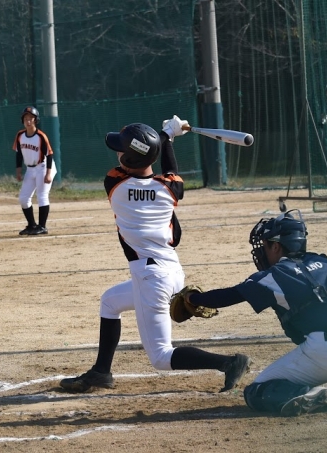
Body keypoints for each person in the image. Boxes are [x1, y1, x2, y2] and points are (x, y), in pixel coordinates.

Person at [59, 116, 251, 393]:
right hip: (171, 272)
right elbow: (169, 171)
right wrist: (167, 138)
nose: (117, 153)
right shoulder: (170, 189)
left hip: (152, 279)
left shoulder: (115, 184)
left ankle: (229, 362)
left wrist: (166, 134)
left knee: (161, 356)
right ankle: (101, 372)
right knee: (110, 302)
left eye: (122, 150)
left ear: (129, 158)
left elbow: (145, 161)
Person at [183, 211, 327, 416]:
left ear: (276, 247)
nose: (261, 250)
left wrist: (193, 299)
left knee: (256, 391)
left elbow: (229, 295)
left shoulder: (276, 275)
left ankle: (305, 392)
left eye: (265, 245)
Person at [13, 106, 56, 235]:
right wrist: (18, 171)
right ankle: (32, 225)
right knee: (23, 198)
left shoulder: (41, 136)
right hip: (30, 169)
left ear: (36, 120)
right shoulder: (20, 135)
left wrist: (48, 174)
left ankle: (42, 227)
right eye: (26, 118)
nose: (28, 121)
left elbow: (49, 154)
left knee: (42, 195)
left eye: (31, 118)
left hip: (43, 167)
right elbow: (19, 154)